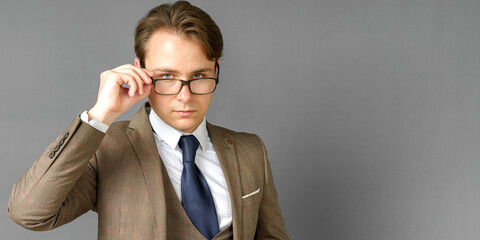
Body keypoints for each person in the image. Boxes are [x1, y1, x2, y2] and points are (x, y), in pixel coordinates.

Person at [7, 1, 289, 240]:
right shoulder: (106, 147)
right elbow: (29, 213)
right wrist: (100, 114)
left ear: (216, 69)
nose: (184, 96)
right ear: (140, 70)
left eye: (199, 76)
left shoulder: (251, 150)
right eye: (166, 77)